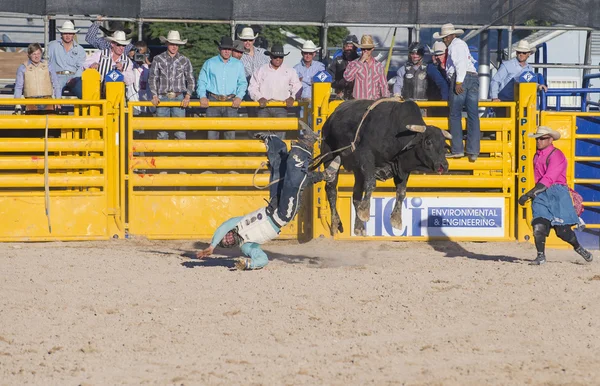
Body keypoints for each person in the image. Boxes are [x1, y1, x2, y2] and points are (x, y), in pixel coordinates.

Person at [196, 127, 341, 270]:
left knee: (279, 169)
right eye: (225, 243)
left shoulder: (237, 224)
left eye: (225, 237)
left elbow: (225, 225)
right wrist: (249, 264)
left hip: (273, 205)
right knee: (292, 182)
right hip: (282, 215)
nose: (227, 239)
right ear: (229, 245)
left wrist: (212, 245)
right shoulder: (247, 246)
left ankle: (273, 141)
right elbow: (262, 259)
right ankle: (310, 150)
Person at [518, 126, 593, 265]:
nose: (539, 141)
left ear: (550, 139)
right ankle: (541, 256)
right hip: (541, 193)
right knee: (538, 225)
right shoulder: (538, 155)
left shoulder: (557, 155)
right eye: (538, 138)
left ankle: (578, 248)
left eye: (542, 138)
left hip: (556, 194)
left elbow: (549, 179)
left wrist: (529, 194)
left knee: (562, 231)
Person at [434, 23, 480, 162]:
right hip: (472, 77)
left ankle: (458, 149)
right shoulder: (461, 45)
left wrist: (459, 82)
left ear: (449, 37)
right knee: (473, 114)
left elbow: (460, 64)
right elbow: (468, 61)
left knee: (455, 114)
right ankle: (473, 150)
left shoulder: (455, 46)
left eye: (444, 38)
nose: (444, 41)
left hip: (462, 78)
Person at [197, 36, 247, 140]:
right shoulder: (210, 63)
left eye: (229, 49)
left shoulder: (238, 64)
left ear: (232, 50)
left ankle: (228, 156)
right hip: (213, 100)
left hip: (231, 101)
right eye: (224, 48)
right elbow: (202, 81)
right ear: (219, 49)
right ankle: (212, 155)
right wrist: (202, 96)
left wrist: (239, 96)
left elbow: (242, 83)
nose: (227, 51)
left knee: (230, 134)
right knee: (212, 133)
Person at [248, 44, 302, 139]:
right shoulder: (261, 70)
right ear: (270, 56)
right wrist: (259, 97)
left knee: (280, 136)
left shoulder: (290, 71)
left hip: (281, 106)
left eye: (280, 57)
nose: (278, 59)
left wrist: (292, 97)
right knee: (263, 135)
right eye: (275, 56)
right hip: (264, 107)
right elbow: (252, 87)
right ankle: (264, 153)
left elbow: (297, 86)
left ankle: (277, 153)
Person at [148, 30, 195, 141]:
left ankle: (179, 157)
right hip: (162, 97)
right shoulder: (157, 59)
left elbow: (191, 80)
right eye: (172, 44)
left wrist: (187, 96)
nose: (174, 47)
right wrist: (154, 95)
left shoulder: (185, 60)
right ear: (167, 44)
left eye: (176, 44)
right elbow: (152, 78)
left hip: (179, 97)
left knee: (180, 132)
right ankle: (162, 157)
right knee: (162, 132)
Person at [490, 40, 548, 116]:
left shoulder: (529, 68)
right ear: (516, 53)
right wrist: (494, 98)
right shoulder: (507, 65)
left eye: (524, 53)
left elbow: (529, 82)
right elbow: (495, 80)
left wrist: (538, 86)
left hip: (520, 104)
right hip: (505, 104)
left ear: (529, 54)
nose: (521, 54)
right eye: (519, 52)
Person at [14, 43, 61, 114]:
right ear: (29, 55)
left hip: (47, 100)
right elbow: (18, 87)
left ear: (41, 53)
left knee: (50, 124)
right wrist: (17, 104)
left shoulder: (48, 66)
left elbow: (56, 84)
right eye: (34, 54)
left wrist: (58, 101)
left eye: (38, 53)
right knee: (33, 124)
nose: (37, 56)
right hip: (30, 101)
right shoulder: (22, 67)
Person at [46, 21, 85, 98]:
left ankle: (85, 109)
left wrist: (74, 78)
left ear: (73, 34)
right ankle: (54, 109)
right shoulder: (52, 46)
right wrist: (51, 75)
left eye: (70, 33)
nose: (68, 36)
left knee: (84, 93)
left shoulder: (80, 49)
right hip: (56, 76)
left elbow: (81, 67)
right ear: (61, 34)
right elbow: (46, 62)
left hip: (73, 77)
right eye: (65, 33)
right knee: (52, 94)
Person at [343, 35, 389, 100]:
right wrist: (361, 61)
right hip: (358, 102)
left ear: (372, 49)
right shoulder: (353, 64)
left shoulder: (378, 66)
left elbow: (383, 85)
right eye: (363, 49)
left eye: (368, 49)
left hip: (374, 102)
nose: (365, 51)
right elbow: (348, 78)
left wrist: (385, 99)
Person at [328, 34, 359, 100]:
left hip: (357, 96)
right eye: (347, 46)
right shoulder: (337, 60)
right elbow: (330, 77)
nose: (349, 49)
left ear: (356, 47)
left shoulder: (360, 61)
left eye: (352, 46)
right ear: (343, 47)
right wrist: (338, 88)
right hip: (340, 95)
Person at [127, 41, 154, 116]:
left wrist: (148, 63)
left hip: (148, 102)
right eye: (138, 53)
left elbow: (158, 75)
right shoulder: (128, 64)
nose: (140, 56)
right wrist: (129, 56)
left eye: (143, 54)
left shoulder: (150, 67)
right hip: (133, 102)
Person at [426, 41, 450, 116]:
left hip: (447, 100)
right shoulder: (431, 67)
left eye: (440, 54)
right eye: (435, 55)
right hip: (437, 100)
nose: (437, 57)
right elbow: (442, 83)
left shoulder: (451, 65)